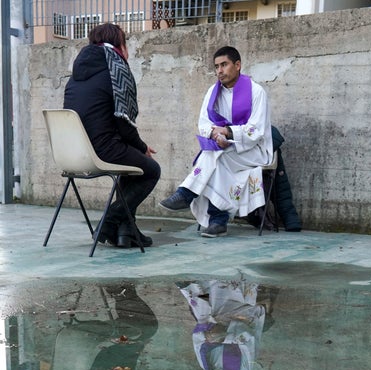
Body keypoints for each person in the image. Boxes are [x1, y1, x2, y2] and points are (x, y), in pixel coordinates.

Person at [159, 46, 273, 238]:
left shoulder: (256, 91)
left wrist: (228, 132)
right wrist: (216, 136)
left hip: (254, 150)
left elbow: (257, 129)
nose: (220, 70)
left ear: (237, 65)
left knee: (214, 157)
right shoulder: (213, 92)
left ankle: (187, 194)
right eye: (217, 66)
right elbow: (203, 124)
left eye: (224, 65)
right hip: (224, 149)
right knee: (217, 159)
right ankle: (217, 221)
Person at [63, 23, 160, 248]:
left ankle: (127, 232)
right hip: (102, 149)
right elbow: (124, 124)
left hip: (75, 152)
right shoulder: (115, 69)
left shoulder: (76, 75)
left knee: (132, 158)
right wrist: (143, 146)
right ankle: (108, 222)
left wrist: (136, 146)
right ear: (120, 44)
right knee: (151, 169)